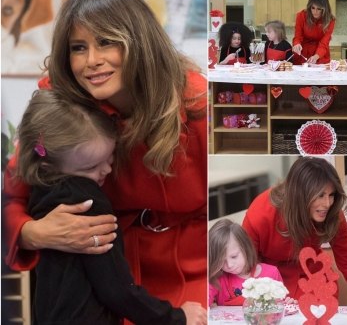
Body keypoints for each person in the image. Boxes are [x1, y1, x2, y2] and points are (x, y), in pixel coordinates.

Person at [2, 0, 209, 319]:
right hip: (107, 275)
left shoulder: (199, 103)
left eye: (107, 41)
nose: (92, 60)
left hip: (196, 265)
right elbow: (11, 198)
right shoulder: (58, 104)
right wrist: (34, 233)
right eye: (78, 47)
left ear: (139, 41)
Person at [15, 90, 205, 325]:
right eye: (91, 167)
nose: (105, 170)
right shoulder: (87, 203)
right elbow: (117, 291)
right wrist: (177, 317)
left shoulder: (42, 186)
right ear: (50, 164)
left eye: (109, 158)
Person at [242, 157, 347, 299]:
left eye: (331, 195)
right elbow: (245, 272)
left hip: (315, 280)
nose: (327, 203)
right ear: (300, 194)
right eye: (320, 195)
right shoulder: (259, 215)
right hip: (267, 284)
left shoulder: (332, 213)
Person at [208, 219, 284, 307]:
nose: (229, 265)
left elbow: (282, 306)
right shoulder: (218, 280)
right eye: (221, 261)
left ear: (246, 248)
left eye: (234, 256)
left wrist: (289, 303)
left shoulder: (271, 273)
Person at [292, 0, 335, 65]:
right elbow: (298, 36)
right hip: (303, 52)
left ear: (324, 9)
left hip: (320, 54)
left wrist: (316, 56)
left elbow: (324, 42)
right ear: (309, 7)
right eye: (313, 8)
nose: (315, 12)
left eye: (319, 9)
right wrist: (297, 44)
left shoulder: (330, 20)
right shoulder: (301, 16)